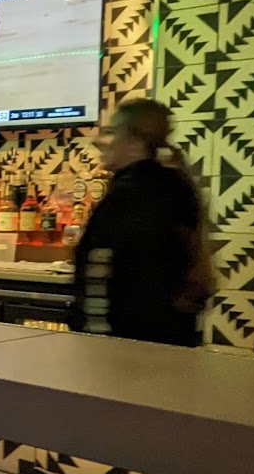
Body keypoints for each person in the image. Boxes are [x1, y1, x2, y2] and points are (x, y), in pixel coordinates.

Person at [73, 100, 211, 348]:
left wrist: (93, 343)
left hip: (126, 349)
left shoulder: (133, 194)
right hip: (162, 345)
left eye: (110, 132)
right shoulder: (171, 186)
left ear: (135, 144)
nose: (98, 141)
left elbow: (109, 275)